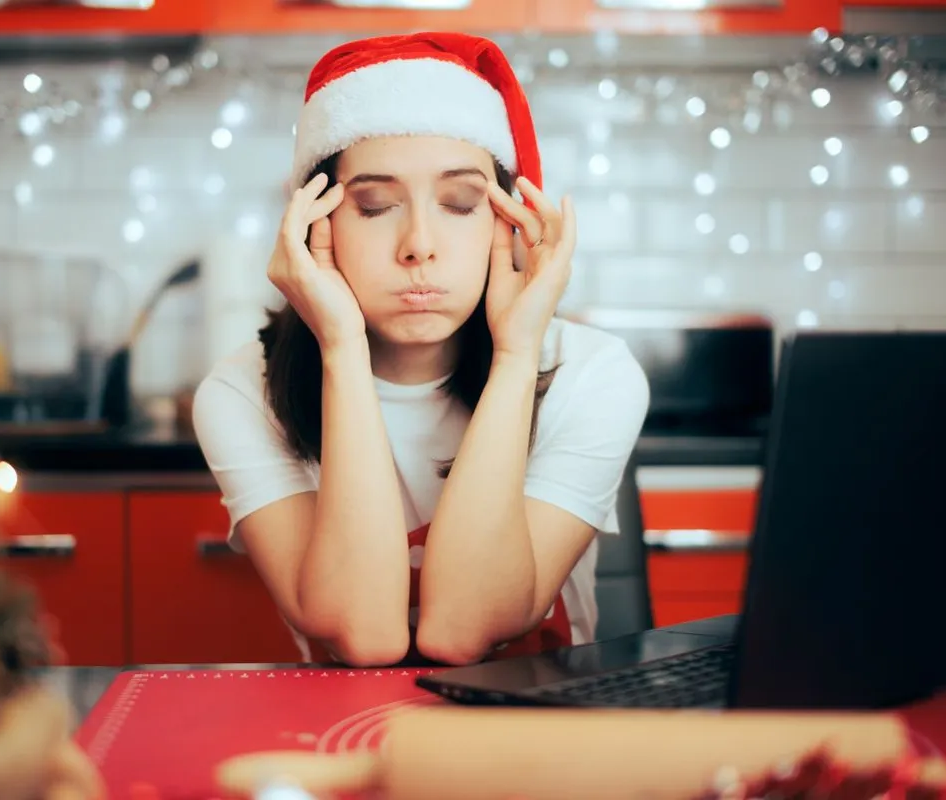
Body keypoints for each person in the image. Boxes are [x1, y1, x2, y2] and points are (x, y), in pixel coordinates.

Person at [193, 31, 649, 668]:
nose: (418, 246)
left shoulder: (593, 374)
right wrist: (342, 349)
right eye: (374, 206)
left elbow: (463, 630)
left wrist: (516, 358)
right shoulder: (242, 393)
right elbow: (363, 636)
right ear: (316, 225)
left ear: (507, 222)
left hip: (539, 720)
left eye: (460, 204)